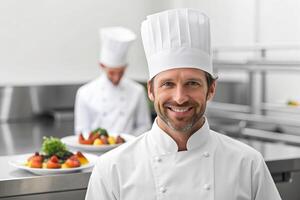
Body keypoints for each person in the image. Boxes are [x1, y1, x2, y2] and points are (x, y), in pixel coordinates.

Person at [85, 9, 281, 200]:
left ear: (211, 89)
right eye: (168, 84)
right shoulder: (111, 169)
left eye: (192, 83)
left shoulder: (248, 164)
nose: (179, 97)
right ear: (151, 91)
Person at [74, 26, 152, 136]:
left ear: (126, 67)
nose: (116, 78)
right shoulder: (84, 93)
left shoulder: (137, 91)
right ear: (102, 66)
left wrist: (127, 141)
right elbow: (81, 131)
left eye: (121, 72)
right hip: (96, 152)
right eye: (112, 73)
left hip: (129, 149)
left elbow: (144, 126)